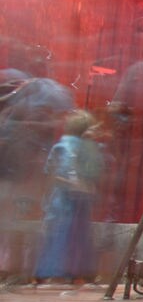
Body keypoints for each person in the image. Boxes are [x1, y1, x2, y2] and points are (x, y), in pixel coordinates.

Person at [33, 110, 103, 285]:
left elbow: (52, 171)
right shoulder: (84, 146)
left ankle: (55, 271)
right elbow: (89, 171)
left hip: (63, 196)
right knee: (74, 234)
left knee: (60, 232)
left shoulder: (63, 145)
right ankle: (70, 271)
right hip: (77, 196)